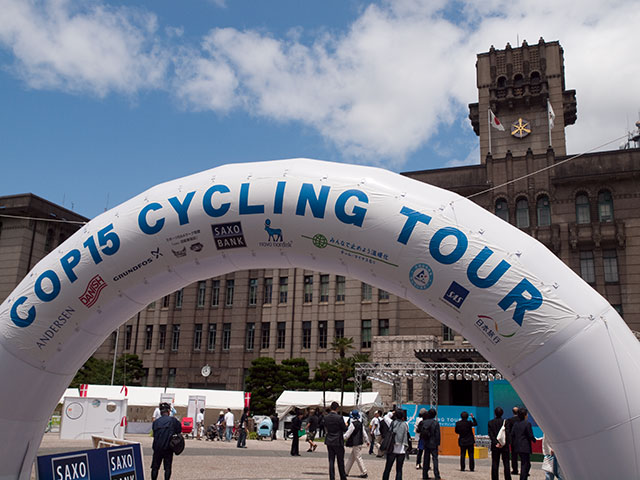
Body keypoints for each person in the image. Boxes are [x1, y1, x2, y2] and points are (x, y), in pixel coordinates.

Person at [150, 402, 182, 480]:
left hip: (157, 447)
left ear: (160, 412)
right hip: (168, 447)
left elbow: (154, 433)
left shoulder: (156, 422)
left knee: (155, 467)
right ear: (168, 411)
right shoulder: (173, 420)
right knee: (167, 468)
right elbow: (179, 431)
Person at [382, 408, 409, 480]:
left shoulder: (392, 423)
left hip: (392, 448)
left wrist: (391, 413)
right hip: (402, 449)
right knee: (399, 470)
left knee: (388, 468)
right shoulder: (406, 424)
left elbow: (385, 417)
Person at [511, 407, 536, 480]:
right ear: (525, 415)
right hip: (525, 447)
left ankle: (523, 477)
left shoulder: (516, 424)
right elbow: (530, 435)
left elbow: (512, 434)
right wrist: (534, 440)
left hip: (518, 446)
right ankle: (523, 478)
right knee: (525, 464)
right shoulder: (527, 424)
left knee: (524, 463)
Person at [324, 401, 348, 480]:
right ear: (337, 408)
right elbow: (344, 429)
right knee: (340, 460)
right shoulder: (339, 417)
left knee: (331, 460)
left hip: (329, 440)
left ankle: (332, 477)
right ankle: (342, 477)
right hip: (338, 440)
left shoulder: (326, 417)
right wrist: (346, 425)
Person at [344, 409, 370, 478]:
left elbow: (348, 434)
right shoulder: (360, 424)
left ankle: (364, 472)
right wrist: (367, 441)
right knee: (352, 458)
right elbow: (364, 434)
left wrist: (342, 438)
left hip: (355, 443)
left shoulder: (352, 424)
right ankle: (345, 471)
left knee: (358, 458)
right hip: (360, 442)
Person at [488, 407, 512, 480]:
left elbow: (490, 434)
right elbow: (507, 433)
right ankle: (507, 478)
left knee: (495, 463)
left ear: (495, 413)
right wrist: (504, 443)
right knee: (506, 463)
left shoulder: (490, 422)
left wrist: (496, 443)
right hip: (504, 446)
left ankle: (495, 478)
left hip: (495, 446)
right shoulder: (506, 422)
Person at [420, 408, 441, 480]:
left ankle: (424, 475)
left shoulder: (424, 422)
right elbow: (437, 434)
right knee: (435, 459)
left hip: (426, 442)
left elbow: (420, 431)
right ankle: (436, 475)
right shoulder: (435, 423)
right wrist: (438, 443)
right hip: (434, 443)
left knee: (426, 459)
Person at [505, 407, 520, 475]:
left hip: (513, 441)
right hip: (521, 440)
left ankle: (515, 469)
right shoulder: (521, 420)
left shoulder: (510, 420)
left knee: (514, 456)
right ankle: (525, 470)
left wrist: (509, 440)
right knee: (523, 456)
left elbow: (507, 430)